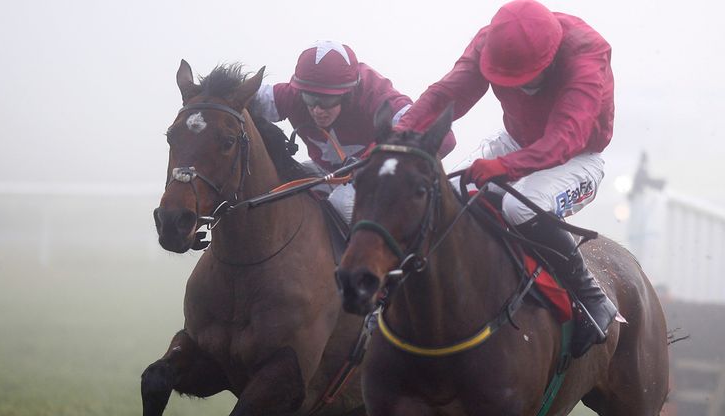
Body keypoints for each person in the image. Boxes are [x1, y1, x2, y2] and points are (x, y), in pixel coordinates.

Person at [395, 0, 616, 358]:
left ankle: (591, 297)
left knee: (517, 207)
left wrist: (505, 167)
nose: (520, 86)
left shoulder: (587, 54)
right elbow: (446, 95)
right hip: (517, 141)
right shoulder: (489, 43)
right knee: (445, 195)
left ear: (550, 59)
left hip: (578, 157)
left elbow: (566, 138)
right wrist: (399, 134)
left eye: (528, 77)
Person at [250, 40, 456, 222]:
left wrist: (378, 161)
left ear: (348, 93)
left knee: (341, 202)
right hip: (329, 173)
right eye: (310, 99)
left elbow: (445, 138)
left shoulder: (375, 94)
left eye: (327, 100)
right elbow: (238, 98)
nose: (317, 110)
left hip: (375, 179)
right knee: (281, 189)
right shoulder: (294, 94)